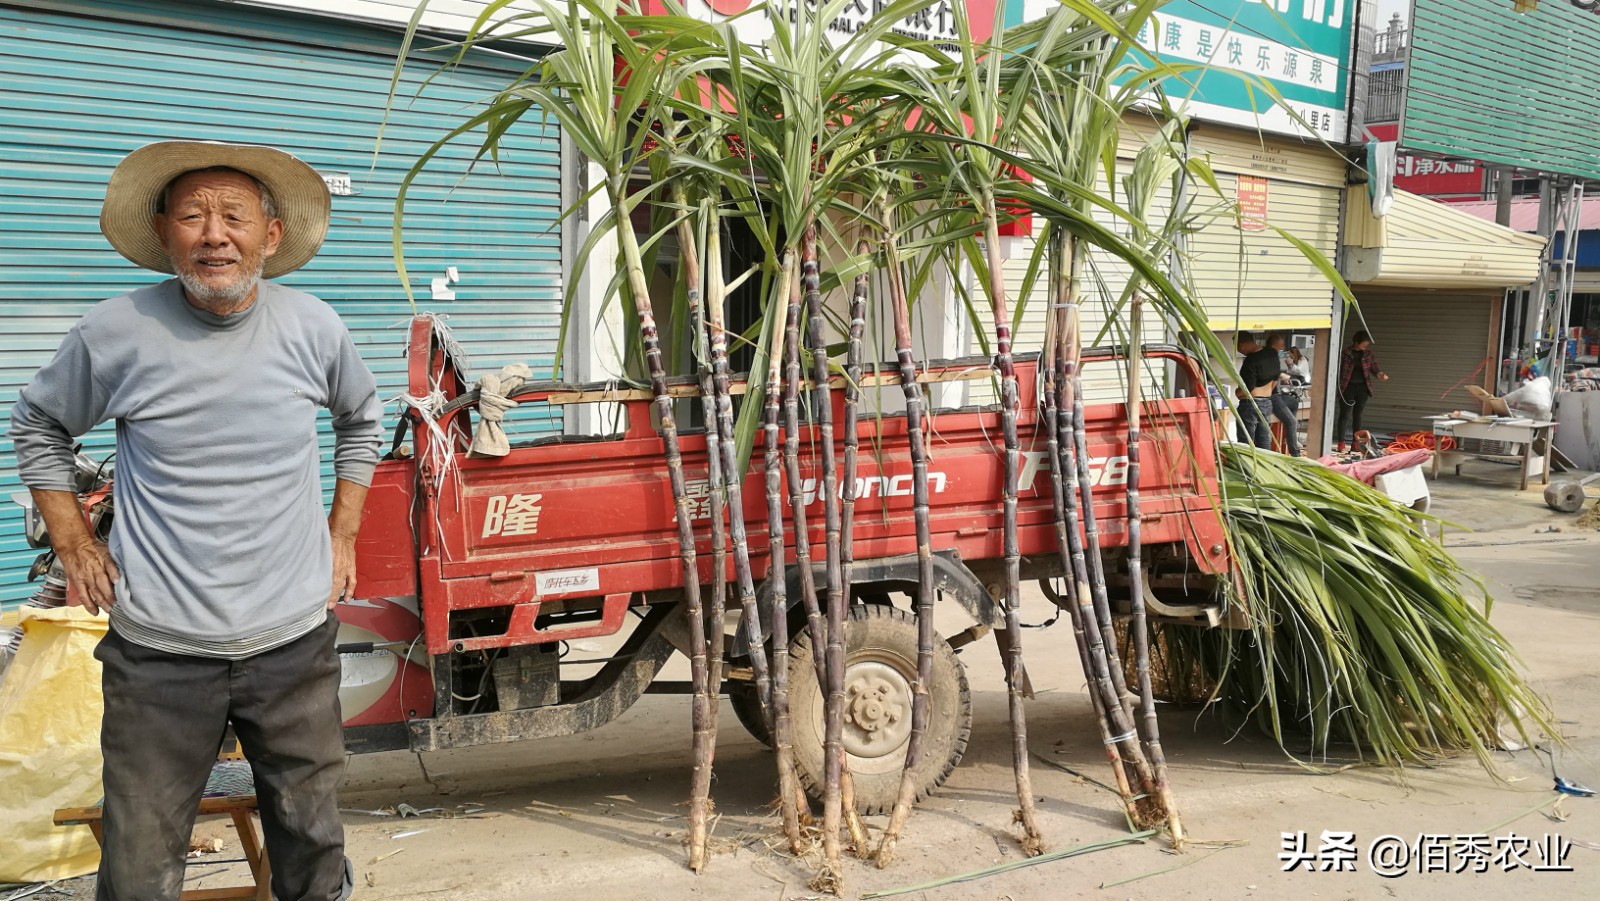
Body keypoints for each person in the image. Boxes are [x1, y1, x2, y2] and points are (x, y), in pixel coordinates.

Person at [8, 141, 381, 901]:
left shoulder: (314, 327)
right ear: (163, 230)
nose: (215, 235)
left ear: (270, 236)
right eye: (193, 216)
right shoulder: (115, 331)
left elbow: (362, 420)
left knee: (311, 839)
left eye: (234, 216)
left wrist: (342, 531)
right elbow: (39, 422)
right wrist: (75, 539)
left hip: (291, 641)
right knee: (141, 856)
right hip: (159, 652)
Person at [1335, 329, 1388, 452]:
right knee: (1344, 415)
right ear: (1356, 342)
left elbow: (1375, 368)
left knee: (1357, 415)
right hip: (1347, 387)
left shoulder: (1368, 354)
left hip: (1363, 388)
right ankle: (1341, 443)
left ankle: (1355, 443)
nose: (1365, 346)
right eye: (1363, 344)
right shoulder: (1346, 353)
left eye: (1367, 344)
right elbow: (1338, 369)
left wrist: (1380, 374)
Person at [1234, 333, 1280, 450]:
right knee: (1264, 440)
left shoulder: (1250, 361)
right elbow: (1275, 378)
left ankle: (1247, 467)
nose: (1239, 351)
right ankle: (1265, 467)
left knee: (1246, 442)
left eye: (1238, 348)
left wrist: (1237, 393)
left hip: (1250, 404)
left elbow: (1248, 387)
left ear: (1242, 345)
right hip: (1267, 402)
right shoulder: (1272, 353)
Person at [1265, 333, 1303, 457]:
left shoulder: (1273, 356)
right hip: (1271, 396)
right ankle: (1295, 453)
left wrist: (1281, 375)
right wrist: (1280, 376)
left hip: (1276, 394)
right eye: (1281, 344)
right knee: (1292, 422)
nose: (1283, 347)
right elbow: (1271, 374)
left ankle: (1289, 434)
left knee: (1294, 402)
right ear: (1275, 344)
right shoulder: (1270, 356)